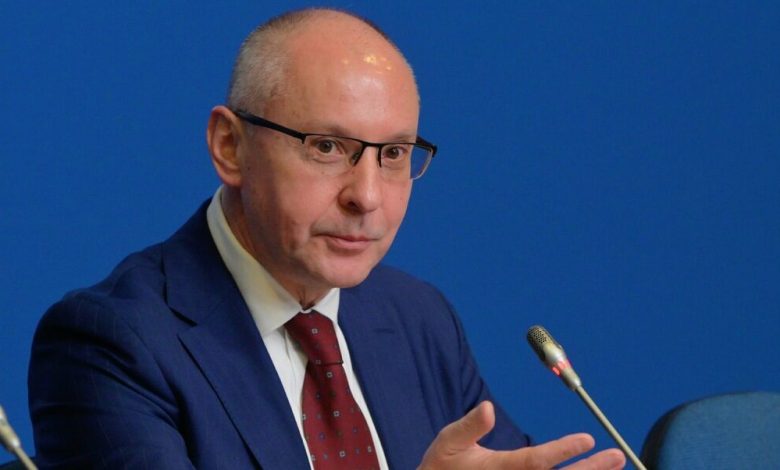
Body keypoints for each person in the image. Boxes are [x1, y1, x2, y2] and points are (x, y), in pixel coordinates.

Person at [28, 8, 626, 470]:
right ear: (230, 147)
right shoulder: (111, 344)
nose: (366, 196)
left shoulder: (417, 319)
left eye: (394, 154)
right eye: (328, 147)